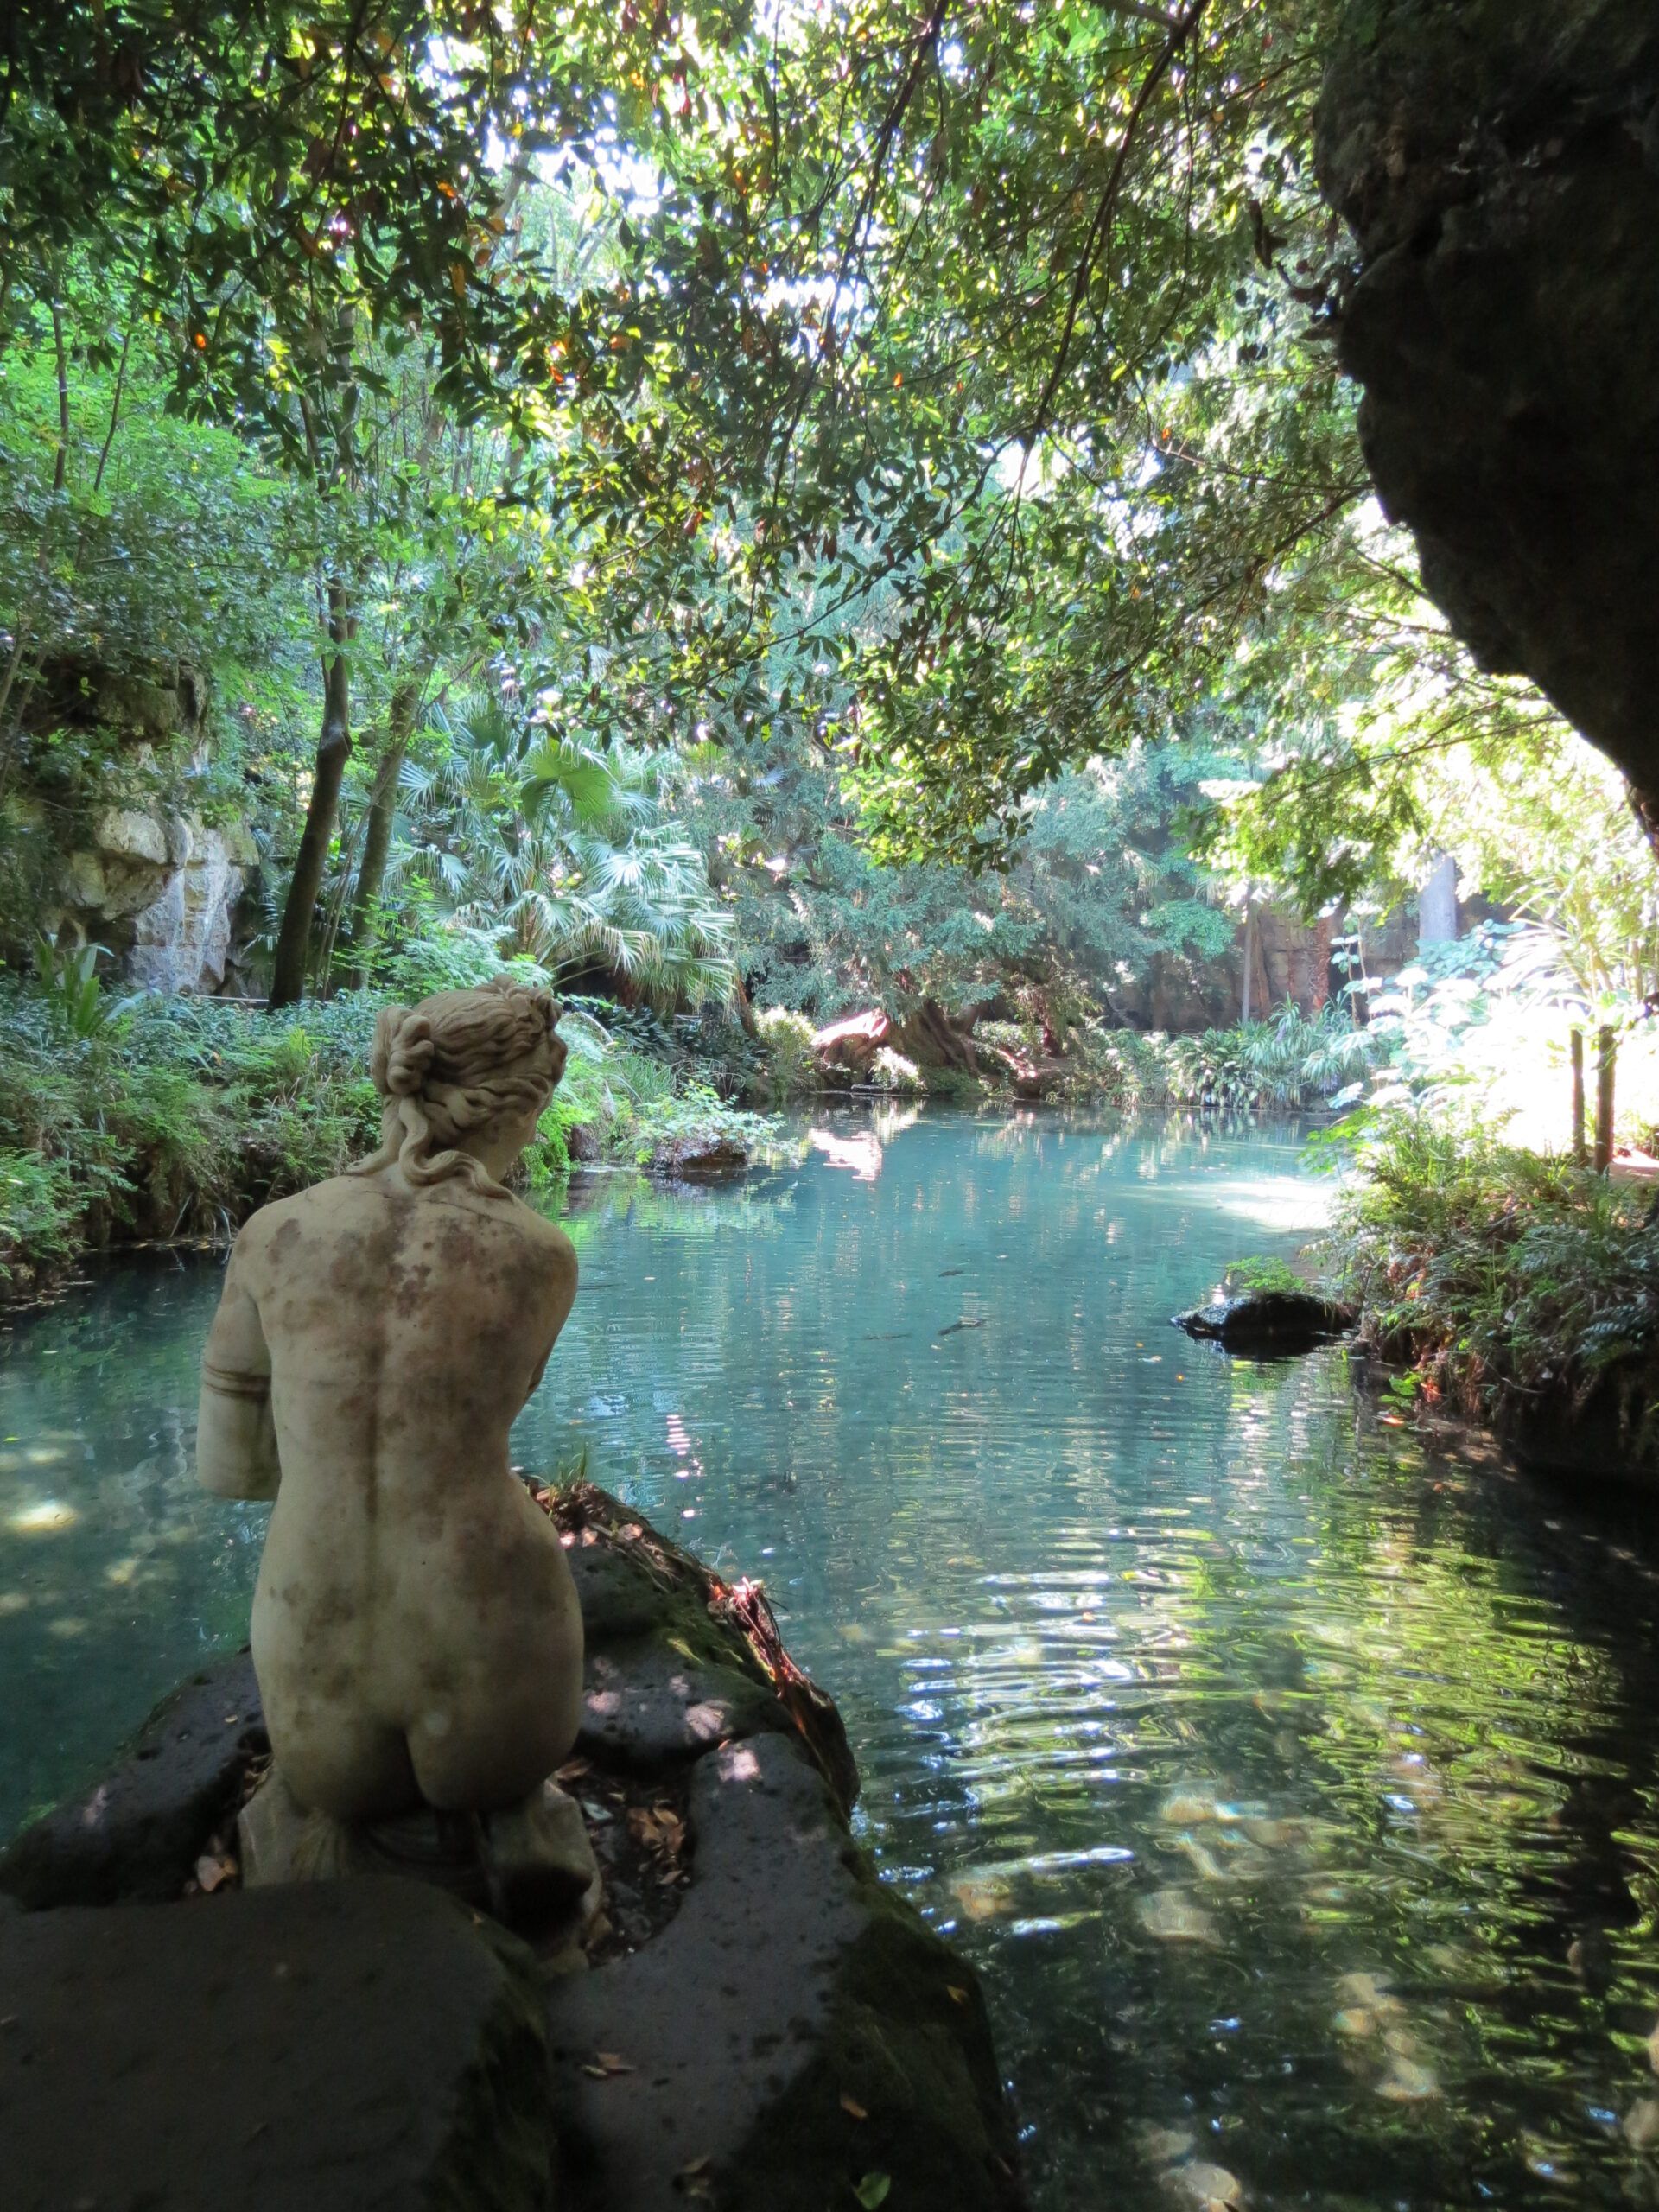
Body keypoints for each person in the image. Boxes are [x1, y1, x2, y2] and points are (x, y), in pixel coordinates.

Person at [196, 978, 586, 1871]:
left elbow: (234, 1466)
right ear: (515, 1106)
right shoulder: (540, 1256)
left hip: (315, 1685)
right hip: (499, 1677)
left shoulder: (272, 1234)